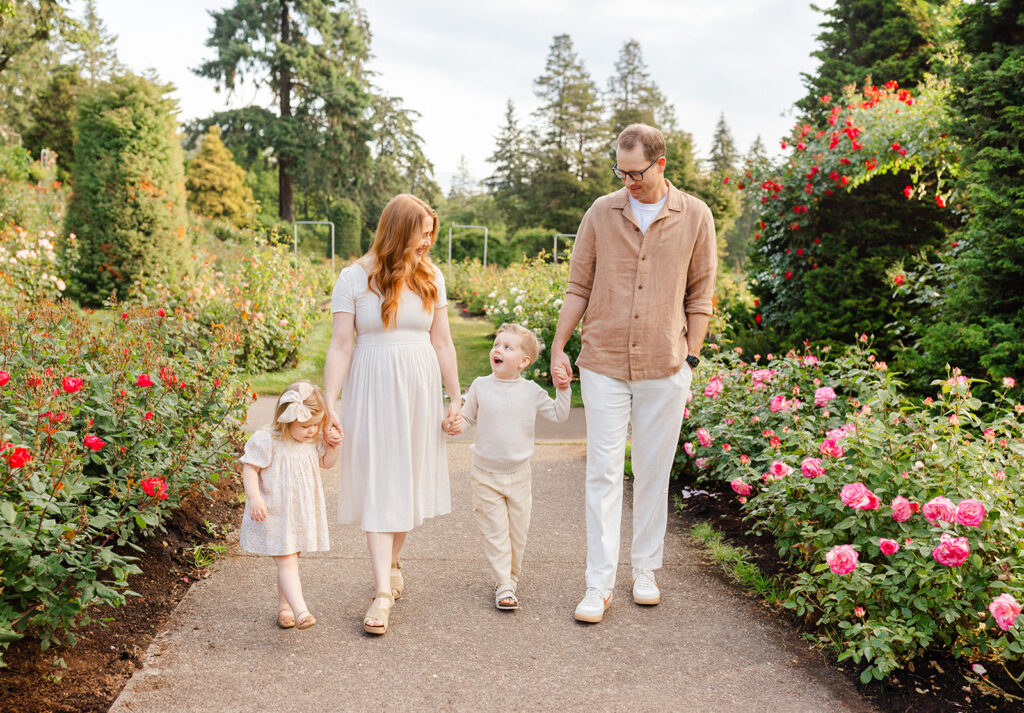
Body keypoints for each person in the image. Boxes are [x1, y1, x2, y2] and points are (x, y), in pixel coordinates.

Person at [549, 123, 717, 623]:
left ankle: (645, 570)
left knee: (651, 470)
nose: (628, 182)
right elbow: (579, 284)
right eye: (620, 172)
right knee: (601, 471)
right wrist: (559, 345)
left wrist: (690, 359)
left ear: (661, 164)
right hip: (603, 362)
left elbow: (701, 296)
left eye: (636, 173)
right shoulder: (602, 212)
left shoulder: (695, 216)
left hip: (665, 365)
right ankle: (597, 583)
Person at [324, 193, 462, 636]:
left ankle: (395, 560)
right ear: (399, 230)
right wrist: (330, 402)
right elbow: (341, 344)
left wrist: (454, 396)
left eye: (431, 235)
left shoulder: (431, 275)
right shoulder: (352, 278)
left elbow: (442, 341)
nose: (427, 243)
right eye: (423, 234)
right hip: (372, 388)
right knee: (382, 483)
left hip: (419, 388)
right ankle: (382, 592)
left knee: (407, 480)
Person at [461, 323, 571, 610]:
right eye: (497, 345)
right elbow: (467, 419)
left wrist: (563, 388)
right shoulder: (480, 387)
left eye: (507, 347)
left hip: (520, 475)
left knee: (516, 533)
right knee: (495, 531)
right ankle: (504, 585)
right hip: (484, 474)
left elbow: (559, 415)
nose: (498, 350)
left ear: (523, 361)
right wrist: (452, 424)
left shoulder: (531, 391)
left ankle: (512, 577)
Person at [239, 380, 341, 630]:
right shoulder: (268, 440)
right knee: (287, 561)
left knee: (291, 558)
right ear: (285, 420)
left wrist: (334, 446)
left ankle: (284, 607)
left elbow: (327, 463)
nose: (312, 430)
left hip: (298, 513)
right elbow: (249, 467)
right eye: (305, 425)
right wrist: (254, 497)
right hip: (275, 512)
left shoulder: (310, 441)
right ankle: (301, 611)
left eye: (316, 424)